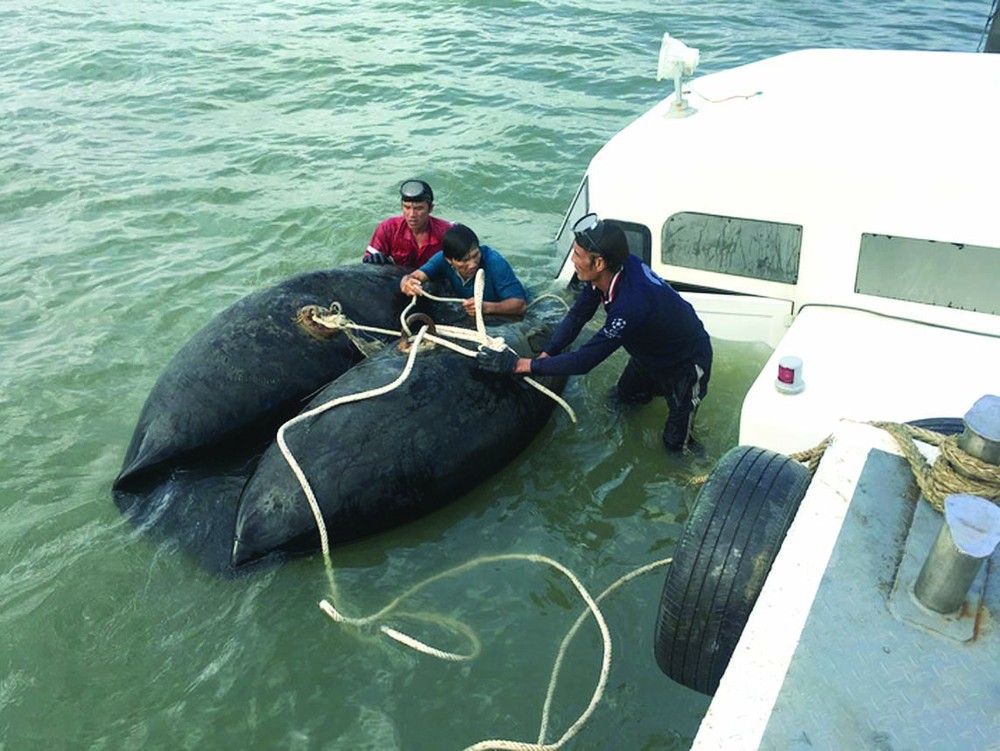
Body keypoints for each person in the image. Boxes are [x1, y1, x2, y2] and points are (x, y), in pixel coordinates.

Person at [477, 213, 712, 453]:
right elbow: (578, 315)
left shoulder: (629, 307)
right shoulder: (610, 272)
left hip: (684, 363)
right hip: (648, 354)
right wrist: (548, 352)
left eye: (577, 255)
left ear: (599, 263)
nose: (572, 260)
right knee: (621, 400)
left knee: (675, 445)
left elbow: (585, 361)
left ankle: (696, 471)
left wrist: (520, 365)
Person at [399, 223, 528, 318]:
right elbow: (415, 276)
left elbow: (520, 305)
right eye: (464, 260)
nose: (472, 264)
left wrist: (486, 307)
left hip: (501, 310)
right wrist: (406, 282)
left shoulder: (495, 262)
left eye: (475, 255)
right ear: (449, 260)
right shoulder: (441, 260)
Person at [362, 179, 452, 267]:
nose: (412, 214)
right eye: (407, 207)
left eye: (419, 208)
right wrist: (372, 259)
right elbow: (366, 262)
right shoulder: (388, 228)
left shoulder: (446, 233)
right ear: (402, 206)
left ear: (430, 208)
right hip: (396, 280)